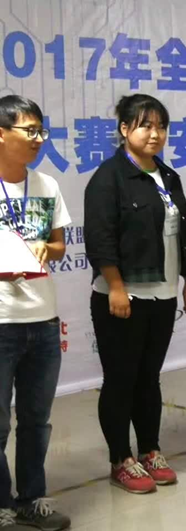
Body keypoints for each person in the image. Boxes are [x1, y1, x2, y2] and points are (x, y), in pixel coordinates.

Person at [85, 94, 186, 494]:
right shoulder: (108, 177)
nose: (155, 134)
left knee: (149, 377)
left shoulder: (168, 176)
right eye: (145, 125)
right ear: (124, 129)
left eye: (161, 126)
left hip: (163, 293)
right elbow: (100, 239)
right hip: (123, 295)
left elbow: (183, 233)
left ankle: (150, 450)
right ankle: (121, 458)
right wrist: (116, 287)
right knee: (121, 378)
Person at [0, 96, 71, 531]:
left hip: (43, 321)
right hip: (1, 320)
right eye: (29, 131)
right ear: (1, 134)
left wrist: (49, 246)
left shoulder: (46, 185)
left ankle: (31, 499)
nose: (38, 139)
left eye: (41, 131)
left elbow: (60, 245)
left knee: (35, 421)